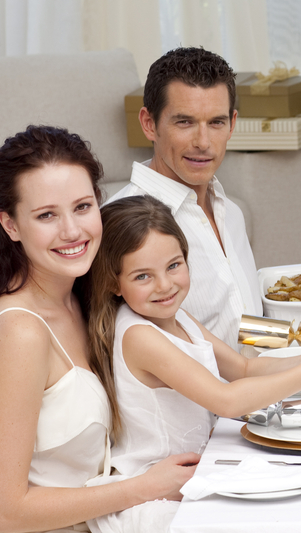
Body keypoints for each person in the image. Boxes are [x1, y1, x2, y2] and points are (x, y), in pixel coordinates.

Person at [0, 126, 196, 533]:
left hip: (104, 523)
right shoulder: (20, 332)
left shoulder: (86, 296)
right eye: (46, 215)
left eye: (82, 206)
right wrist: (145, 486)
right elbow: (5, 509)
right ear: (10, 224)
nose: (73, 231)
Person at [84, 195, 301, 533]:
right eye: (143, 276)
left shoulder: (177, 317)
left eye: (174, 266)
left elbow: (244, 368)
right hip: (152, 495)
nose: (165, 285)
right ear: (113, 283)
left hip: (199, 470)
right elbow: (227, 400)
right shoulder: (139, 334)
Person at [109, 47, 259, 351]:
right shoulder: (120, 224)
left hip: (268, 387)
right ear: (149, 124)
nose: (203, 143)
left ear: (232, 124)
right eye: (184, 122)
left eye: (215, 122)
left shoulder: (231, 212)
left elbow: (243, 328)